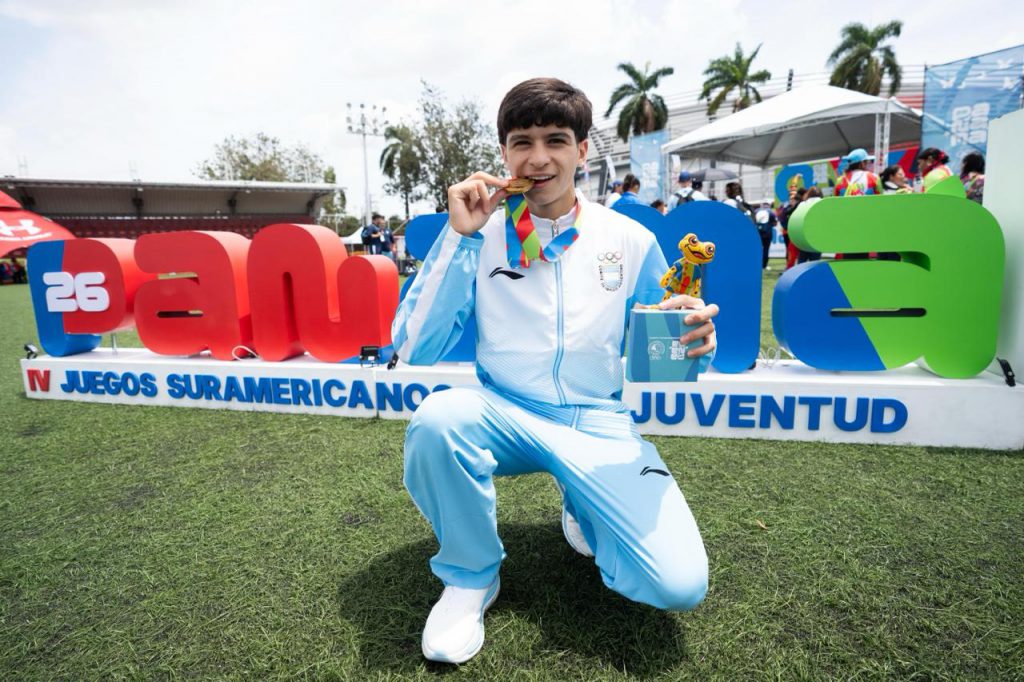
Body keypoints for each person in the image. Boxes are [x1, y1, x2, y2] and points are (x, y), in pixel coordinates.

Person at [392, 77, 719, 664]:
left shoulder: (631, 239)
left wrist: (695, 340)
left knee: (680, 585)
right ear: (504, 153)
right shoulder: (480, 234)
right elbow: (414, 346)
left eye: (556, 141)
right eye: (522, 142)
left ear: (583, 150)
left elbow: (662, 350)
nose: (538, 158)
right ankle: (470, 577)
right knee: (438, 420)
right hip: (506, 412)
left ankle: (583, 501)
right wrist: (459, 241)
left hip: (597, 423)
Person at [753, 199, 777, 270]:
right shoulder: (771, 212)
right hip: (767, 233)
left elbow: (753, 221)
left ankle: (756, 264)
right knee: (766, 249)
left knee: (757, 249)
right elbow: (775, 223)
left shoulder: (756, 211)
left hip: (757, 233)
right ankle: (764, 265)